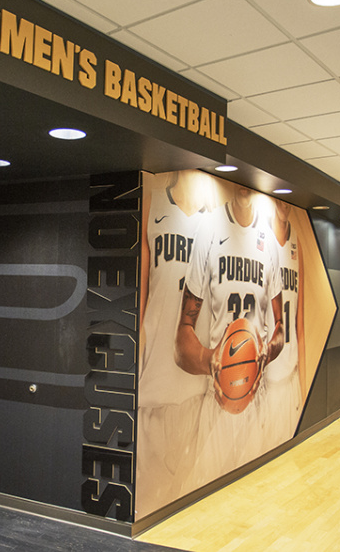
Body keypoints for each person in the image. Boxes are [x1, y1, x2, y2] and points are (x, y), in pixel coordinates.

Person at [175, 184, 284, 481]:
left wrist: (267, 351)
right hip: (218, 398)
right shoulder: (209, 228)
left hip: (258, 395)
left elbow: (281, 329)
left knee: (261, 492)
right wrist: (210, 359)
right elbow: (182, 334)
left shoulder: (269, 242)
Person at [135, 169, 215, 518]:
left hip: (198, 389)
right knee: (148, 501)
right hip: (155, 384)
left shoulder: (214, 219)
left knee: (188, 506)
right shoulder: (153, 207)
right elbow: (139, 297)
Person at [255, 197, 305, 450]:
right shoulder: (259, 240)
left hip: (292, 372)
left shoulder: (296, 245)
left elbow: (300, 326)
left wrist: (305, 385)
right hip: (268, 378)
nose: (284, 204)